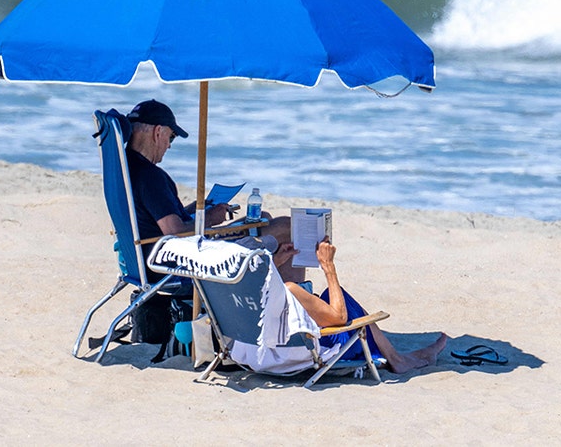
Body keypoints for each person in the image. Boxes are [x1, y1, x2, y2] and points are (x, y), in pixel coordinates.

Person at [123, 99, 303, 281]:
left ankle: (276, 292)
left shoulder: (126, 169)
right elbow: (174, 232)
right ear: (157, 132)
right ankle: (294, 299)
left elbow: (153, 221)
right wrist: (209, 218)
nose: (169, 145)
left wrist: (190, 210)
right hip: (183, 263)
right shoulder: (150, 176)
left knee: (263, 218)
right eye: (171, 137)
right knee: (288, 228)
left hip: (155, 257)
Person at [274, 238, 447, 374]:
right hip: (317, 352)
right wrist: (328, 267)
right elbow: (339, 317)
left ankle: (395, 357)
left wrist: (275, 263)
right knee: (338, 298)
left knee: (326, 298)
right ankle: (397, 360)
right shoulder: (290, 289)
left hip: (271, 353)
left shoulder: (252, 290)